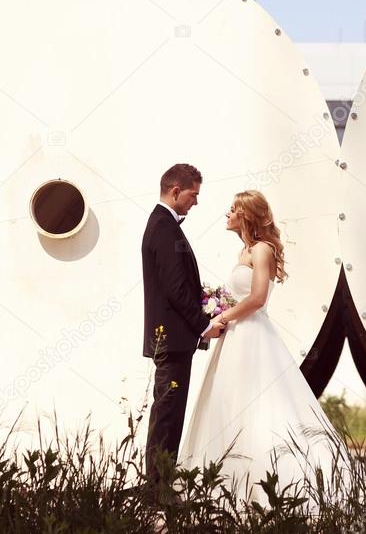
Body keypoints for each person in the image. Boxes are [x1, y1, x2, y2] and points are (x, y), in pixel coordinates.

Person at [178, 189, 354, 512]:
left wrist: (223, 315)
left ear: (246, 215)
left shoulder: (262, 250)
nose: (227, 215)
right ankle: (229, 481)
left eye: (232, 210)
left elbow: (258, 298)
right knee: (229, 404)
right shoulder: (244, 252)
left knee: (261, 404)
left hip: (253, 336)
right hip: (235, 338)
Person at [141, 163, 224, 496]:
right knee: (167, 415)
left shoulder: (164, 225)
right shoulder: (163, 227)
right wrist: (204, 323)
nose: (196, 202)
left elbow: (179, 285)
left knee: (169, 413)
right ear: (176, 191)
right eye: (194, 194)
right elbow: (175, 289)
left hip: (174, 340)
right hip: (171, 340)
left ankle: (160, 485)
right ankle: (158, 490)